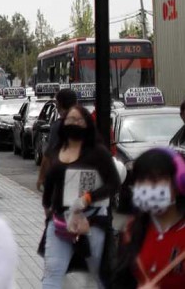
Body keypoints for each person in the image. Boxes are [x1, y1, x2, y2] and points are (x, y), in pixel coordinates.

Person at [41, 104, 120, 289]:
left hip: (92, 221)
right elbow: (50, 182)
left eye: (79, 120)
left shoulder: (98, 153)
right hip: (60, 222)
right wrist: (47, 206)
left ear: (87, 124)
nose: (74, 123)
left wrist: (88, 198)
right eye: (70, 119)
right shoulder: (56, 150)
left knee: (99, 273)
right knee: (52, 271)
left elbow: (113, 183)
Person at [113, 148, 185, 288]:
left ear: (178, 184)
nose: (147, 187)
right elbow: (120, 280)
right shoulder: (131, 230)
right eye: (141, 180)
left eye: (155, 180)